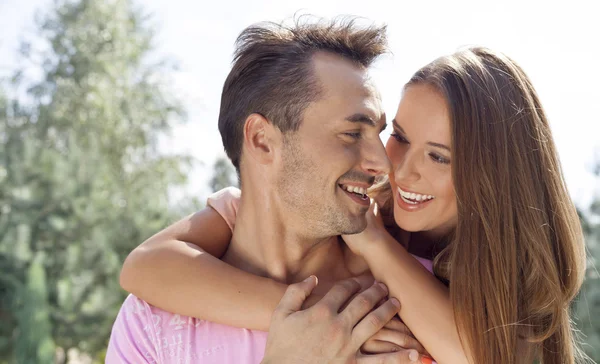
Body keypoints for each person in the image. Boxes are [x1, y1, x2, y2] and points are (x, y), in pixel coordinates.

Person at [121, 45, 588, 364]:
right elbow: (144, 265)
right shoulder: (157, 319)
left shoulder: (436, 308)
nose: (392, 167)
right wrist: (317, 316)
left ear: (492, 185)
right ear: (262, 141)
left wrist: (373, 245)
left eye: (441, 157)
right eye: (398, 137)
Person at [106, 17, 433, 364]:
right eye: (352, 134)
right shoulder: (152, 324)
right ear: (262, 141)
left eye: (379, 134)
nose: (382, 165)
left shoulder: (418, 306)